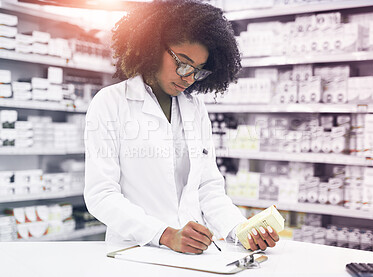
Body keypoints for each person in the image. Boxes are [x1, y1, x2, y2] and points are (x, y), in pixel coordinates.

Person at [84, 0, 279, 254]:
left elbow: (208, 187)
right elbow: (101, 195)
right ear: (153, 47)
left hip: (192, 253)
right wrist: (165, 235)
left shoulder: (194, 108)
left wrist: (241, 230)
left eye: (198, 71)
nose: (188, 77)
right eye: (183, 63)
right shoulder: (110, 103)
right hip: (135, 252)